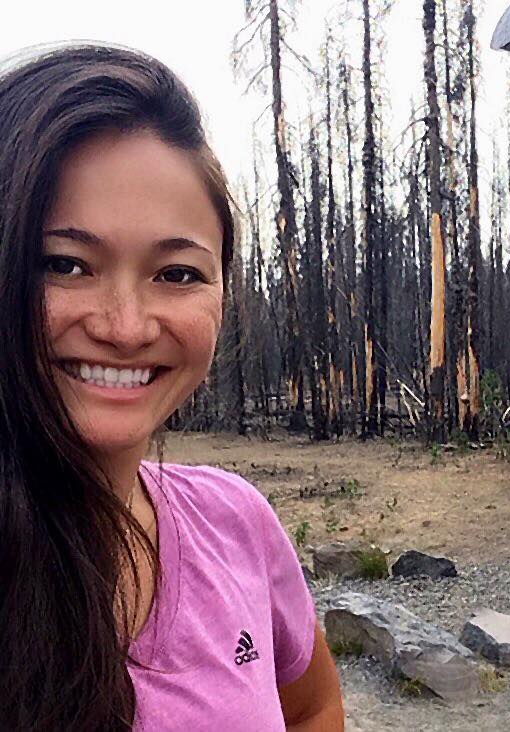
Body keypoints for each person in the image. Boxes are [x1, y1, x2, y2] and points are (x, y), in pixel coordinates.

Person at [0, 44, 344, 731]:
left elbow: (313, 708)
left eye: (178, 273)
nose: (125, 327)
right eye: (66, 264)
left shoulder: (236, 525)